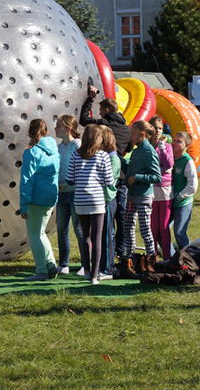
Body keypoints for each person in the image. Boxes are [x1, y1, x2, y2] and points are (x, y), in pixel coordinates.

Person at [79, 85, 132, 260]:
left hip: (105, 173)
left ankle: (106, 254)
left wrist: (90, 98)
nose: (100, 113)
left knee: (107, 217)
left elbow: (84, 120)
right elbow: (130, 147)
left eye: (101, 110)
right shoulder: (127, 128)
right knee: (121, 216)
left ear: (107, 109)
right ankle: (121, 250)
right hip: (121, 175)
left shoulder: (104, 125)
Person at [66, 125, 115, 285]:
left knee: (85, 236)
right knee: (97, 238)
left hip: (80, 200)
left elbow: (69, 179)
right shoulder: (103, 156)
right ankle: (95, 275)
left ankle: (86, 270)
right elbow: (109, 181)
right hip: (97, 201)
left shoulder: (76, 155)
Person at [118, 120, 161, 274]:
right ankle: (131, 260)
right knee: (128, 227)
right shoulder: (136, 150)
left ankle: (150, 261)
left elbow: (157, 177)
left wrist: (138, 177)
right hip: (132, 196)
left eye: (133, 133)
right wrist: (121, 161)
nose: (131, 136)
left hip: (143, 197)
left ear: (142, 134)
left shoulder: (149, 151)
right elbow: (130, 168)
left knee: (144, 229)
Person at [20, 119, 60, 281]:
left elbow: (26, 181)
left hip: (36, 199)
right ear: (47, 132)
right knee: (40, 233)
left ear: (29, 133)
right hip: (50, 197)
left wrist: (23, 205)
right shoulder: (55, 151)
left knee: (35, 234)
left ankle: (42, 270)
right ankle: (50, 265)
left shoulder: (32, 152)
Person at [54, 115, 84, 275]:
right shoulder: (59, 148)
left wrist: (68, 184)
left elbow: (81, 170)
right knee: (62, 229)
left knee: (79, 230)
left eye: (59, 126)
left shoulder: (77, 146)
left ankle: (85, 264)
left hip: (74, 193)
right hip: (61, 194)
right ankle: (63, 264)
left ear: (68, 128)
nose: (55, 128)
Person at [148, 116, 174, 258]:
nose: (157, 131)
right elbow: (147, 167)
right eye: (155, 127)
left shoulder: (167, 146)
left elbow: (169, 164)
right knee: (153, 228)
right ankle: (152, 258)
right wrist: (161, 169)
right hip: (151, 190)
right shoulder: (146, 146)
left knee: (164, 227)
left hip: (165, 190)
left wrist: (162, 148)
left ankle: (167, 258)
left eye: (160, 128)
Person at [99, 126, 122, 278]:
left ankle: (108, 268)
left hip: (108, 200)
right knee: (101, 235)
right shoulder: (106, 158)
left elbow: (108, 181)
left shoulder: (114, 160)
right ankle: (101, 266)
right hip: (101, 200)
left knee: (107, 235)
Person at [171, 132, 198, 251]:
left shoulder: (188, 161)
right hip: (170, 201)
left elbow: (193, 185)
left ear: (186, 145)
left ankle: (192, 257)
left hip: (183, 202)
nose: (174, 143)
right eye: (174, 140)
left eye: (178, 141)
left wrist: (180, 196)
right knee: (163, 229)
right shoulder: (170, 157)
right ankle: (171, 256)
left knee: (179, 232)